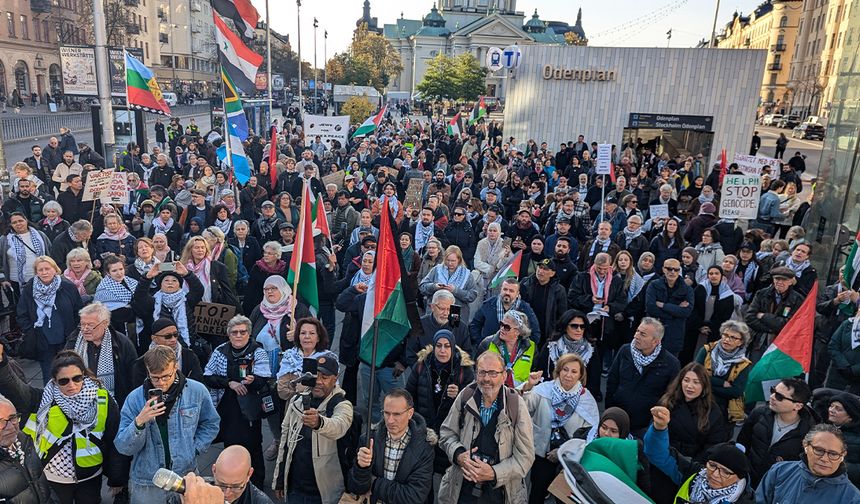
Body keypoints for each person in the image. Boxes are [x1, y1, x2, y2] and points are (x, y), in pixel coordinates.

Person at [6, 350, 124, 504]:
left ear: (83, 375)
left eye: (77, 378)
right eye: (64, 381)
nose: (72, 385)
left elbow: (114, 438)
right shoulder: (44, 399)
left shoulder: (102, 398)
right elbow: (15, 390)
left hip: (90, 476)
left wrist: (117, 478)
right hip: (54, 478)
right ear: (54, 381)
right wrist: (2, 363)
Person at [115, 345, 220, 503]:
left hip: (185, 475)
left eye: (166, 376)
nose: (161, 383)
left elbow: (211, 423)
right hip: (147, 482)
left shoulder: (197, 391)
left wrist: (195, 448)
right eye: (155, 378)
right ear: (148, 372)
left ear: (175, 367)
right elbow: (123, 447)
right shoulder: (135, 398)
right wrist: (139, 422)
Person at [437, 352, 534, 504]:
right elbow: (446, 434)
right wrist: (458, 455)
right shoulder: (466, 396)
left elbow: (525, 456)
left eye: (493, 373)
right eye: (482, 372)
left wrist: (494, 473)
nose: (486, 379)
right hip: (461, 489)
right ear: (476, 374)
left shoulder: (516, 405)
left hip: (500, 494)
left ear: (504, 376)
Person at [274, 351, 354, 504]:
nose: (318, 381)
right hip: (295, 489)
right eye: (315, 376)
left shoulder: (342, 405)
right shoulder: (296, 401)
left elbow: (339, 426)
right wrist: (279, 479)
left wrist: (319, 423)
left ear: (335, 379)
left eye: (324, 377)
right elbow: (285, 442)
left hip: (324, 493)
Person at [203, 315, 272, 490]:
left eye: (243, 332)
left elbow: (264, 378)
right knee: (231, 444)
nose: (239, 335)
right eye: (234, 332)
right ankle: (231, 482)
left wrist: (252, 380)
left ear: (249, 333)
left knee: (253, 445)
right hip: (229, 406)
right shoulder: (220, 350)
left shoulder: (258, 351)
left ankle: (255, 485)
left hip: (250, 406)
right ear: (229, 334)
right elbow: (208, 376)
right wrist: (229, 383)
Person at [406, 329, 475, 501]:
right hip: (425, 431)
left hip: (450, 432)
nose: (442, 350)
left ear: (453, 348)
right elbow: (408, 396)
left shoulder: (464, 371)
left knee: (449, 478)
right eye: (438, 346)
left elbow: (474, 405)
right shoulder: (422, 365)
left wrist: (459, 395)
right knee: (423, 476)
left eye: (446, 346)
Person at [523, 353, 599, 504]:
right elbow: (524, 408)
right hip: (541, 454)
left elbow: (590, 433)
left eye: (574, 371)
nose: (569, 375)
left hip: (569, 460)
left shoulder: (586, 398)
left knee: (563, 499)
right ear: (558, 371)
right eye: (565, 369)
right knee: (536, 494)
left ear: (581, 375)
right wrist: (529, 386)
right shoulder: (544, 389)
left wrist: (563, 451)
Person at [644, 406, 754, 503]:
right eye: (712, 465)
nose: (715, 474)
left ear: (739, 477)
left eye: (725, 472)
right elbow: (659, 455)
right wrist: (659, 428)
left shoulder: (744, 500)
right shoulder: (694, 473)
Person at [346, 389, 434, 503]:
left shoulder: (424, 447)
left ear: (410, 413)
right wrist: (361, 468)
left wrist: (373, 483)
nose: (390, 420)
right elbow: (355, 487)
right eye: (386, 413)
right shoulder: (368, 439)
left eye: (397, 414)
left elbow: (413, 497)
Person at [606, 318, 681, 434]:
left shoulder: (671, 364)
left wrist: (654, 423)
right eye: (637, 331)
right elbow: (612, 381)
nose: (636, 336)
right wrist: (610, 411)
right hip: (618, 419)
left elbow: (670, 397)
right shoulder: (625, 351)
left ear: (655, 341)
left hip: (645, 426)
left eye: (643, 334)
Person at [16, 256, 83, 382]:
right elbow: (21, 313)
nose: (44, 272)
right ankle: (51, 401)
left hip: (66, 339)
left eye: (47, 268)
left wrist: (75, 333)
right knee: (49, 377)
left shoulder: (67, 287)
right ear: (36, 272)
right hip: (42, 339)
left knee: (68, 373)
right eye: (40, 270)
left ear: (55, 269)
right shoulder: (29, 289)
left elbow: (78, 311)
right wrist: (30, 331)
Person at [737, 377, 814, 486]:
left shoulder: (809, 433)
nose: (772, 397)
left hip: (776, 486)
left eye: (779, 397)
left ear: (797, 406)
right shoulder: (759, 414)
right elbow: (742, 443)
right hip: (746, 479)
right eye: (773, 391)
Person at [756, 423, 860, 503]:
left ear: (842, 455)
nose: (824, 458)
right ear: (805, 446)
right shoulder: (780, 471)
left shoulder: (852, 498)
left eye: (833, 454)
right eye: (819, 450)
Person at [64, 302, 137, 408]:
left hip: (116, 403)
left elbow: (132, 377)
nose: (85, 329)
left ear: (105, 323)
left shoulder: (122, 344)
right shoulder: (73, 342)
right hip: (80, 402)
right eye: (82, 324)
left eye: (91, 325)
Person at [131, 260, 206, 360]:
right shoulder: (153, 302)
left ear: (179, 285)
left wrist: (187, 274)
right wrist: (147, 277)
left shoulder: (187, 300)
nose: (170, 282)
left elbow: (198, 290)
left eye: (174, 281)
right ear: (160, 285)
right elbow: (139, 296)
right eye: (166, 280)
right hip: (159, 350)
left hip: (185, 347)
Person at [0, 387, 55, 502]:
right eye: (0, 421)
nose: (10, 427)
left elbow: (40, 479)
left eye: (12, 417)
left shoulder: (24, 440)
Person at [695, 321, 753, 424]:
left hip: (723, 409)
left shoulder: (743, 363)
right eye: (725, 335)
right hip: (698, 400)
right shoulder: (706, 350)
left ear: (740, 342)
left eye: (733, 337)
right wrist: (722, 383)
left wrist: (705, 384)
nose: (727, 339)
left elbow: (736, 392)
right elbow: (696, 374)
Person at [744, 266, 805, 361]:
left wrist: (764, 316)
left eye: (784, 279)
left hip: (781, 344)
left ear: (791, 281)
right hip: (758, 341)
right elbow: (749, 317)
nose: (780, 282)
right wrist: (770, 329)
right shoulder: (761, 294)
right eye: (777, 279)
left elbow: (790, 324)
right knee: (753, 370)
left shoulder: (798, 299)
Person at [470, 278, 541, 349]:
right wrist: (481, 344)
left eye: (511, 291)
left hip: (514, 354)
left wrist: (522, 349)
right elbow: (475, 325)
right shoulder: (488, 304)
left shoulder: (525, 309)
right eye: (505, 289)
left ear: (517, 294)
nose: (507, 293)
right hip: (490, 351)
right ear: (501, 289)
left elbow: (535, 332)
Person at [131, 317, 203, 387]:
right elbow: (141, 389)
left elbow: (198, 382)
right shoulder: (142, 363)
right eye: (168, 336)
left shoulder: (189, 356)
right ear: (154, 338)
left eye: (175, 334)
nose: (173, 339)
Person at [685, 266, 736, 364]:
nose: (714, 276)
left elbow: (725, 315)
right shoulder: (700, 288)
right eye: (711, 274)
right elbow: (693, 308)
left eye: (716, 273)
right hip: (695, 328)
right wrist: (700, 325)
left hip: (715, 330)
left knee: (708, 358)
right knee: (689, 354)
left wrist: (710, 327)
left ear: (721, 276)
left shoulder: (727, 293)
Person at [645, 258, 694, 357]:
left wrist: (663, 305)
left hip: (674, 334)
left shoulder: (687, 289)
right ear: (663, 269)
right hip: (654, 332)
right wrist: (676, 311)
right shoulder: (654, 285)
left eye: (675, 269)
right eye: (669, 269)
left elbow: (686, 312)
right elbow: (650, 308)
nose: (672, 272)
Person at [408, 290, 471, 366]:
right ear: (432, 307)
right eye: (442, 309)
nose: (445, 313)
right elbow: (411, 355)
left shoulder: (461, 327)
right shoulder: (419, 325)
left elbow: (467, 355)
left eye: (449, 309)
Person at [476, 310, 537, 388]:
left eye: (506, 327)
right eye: (501, 324)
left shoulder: (531, 347)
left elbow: (534, 371)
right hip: (492, 390)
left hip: (521, 394)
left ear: (517, 332)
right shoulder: (487, 343)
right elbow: (477, 371)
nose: (502, 329)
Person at [419, 245, 479, 324]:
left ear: (459, 260)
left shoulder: (467, 274)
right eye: (448, 260)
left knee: (453, 334)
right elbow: (422, 287)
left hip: (456, 312)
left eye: (453, 261)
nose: (450, 263)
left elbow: (472, 295)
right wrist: (434, 287)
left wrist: (455, 291)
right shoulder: (437, 270)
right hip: (436, 311)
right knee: (434, 333)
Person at [0, 212, 51, 298]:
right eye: (14, 222)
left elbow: (49, 253)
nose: (18, 224)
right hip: (15, 280)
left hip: (41, 277)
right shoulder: (5, 239)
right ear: (10, 225)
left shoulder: (40, 235)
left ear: (26, 220)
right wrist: (3, 279)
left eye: (20, 221)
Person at [520, 258, 567, 347]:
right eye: (540, 267)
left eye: (545, 269)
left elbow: (562, 315)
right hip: (526, 329)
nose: (540, 271)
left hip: (546, 332)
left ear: (552, 273)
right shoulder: (525, 283)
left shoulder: (559, 290)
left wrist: (555, 333)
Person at [243, 241, 287, 315]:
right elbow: (251, 290)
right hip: (258, 303)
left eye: (269, 253)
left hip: (278, 304)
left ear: (277, 255)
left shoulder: (284, 268)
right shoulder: (257, 267)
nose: (266, 255)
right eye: (265, 253)